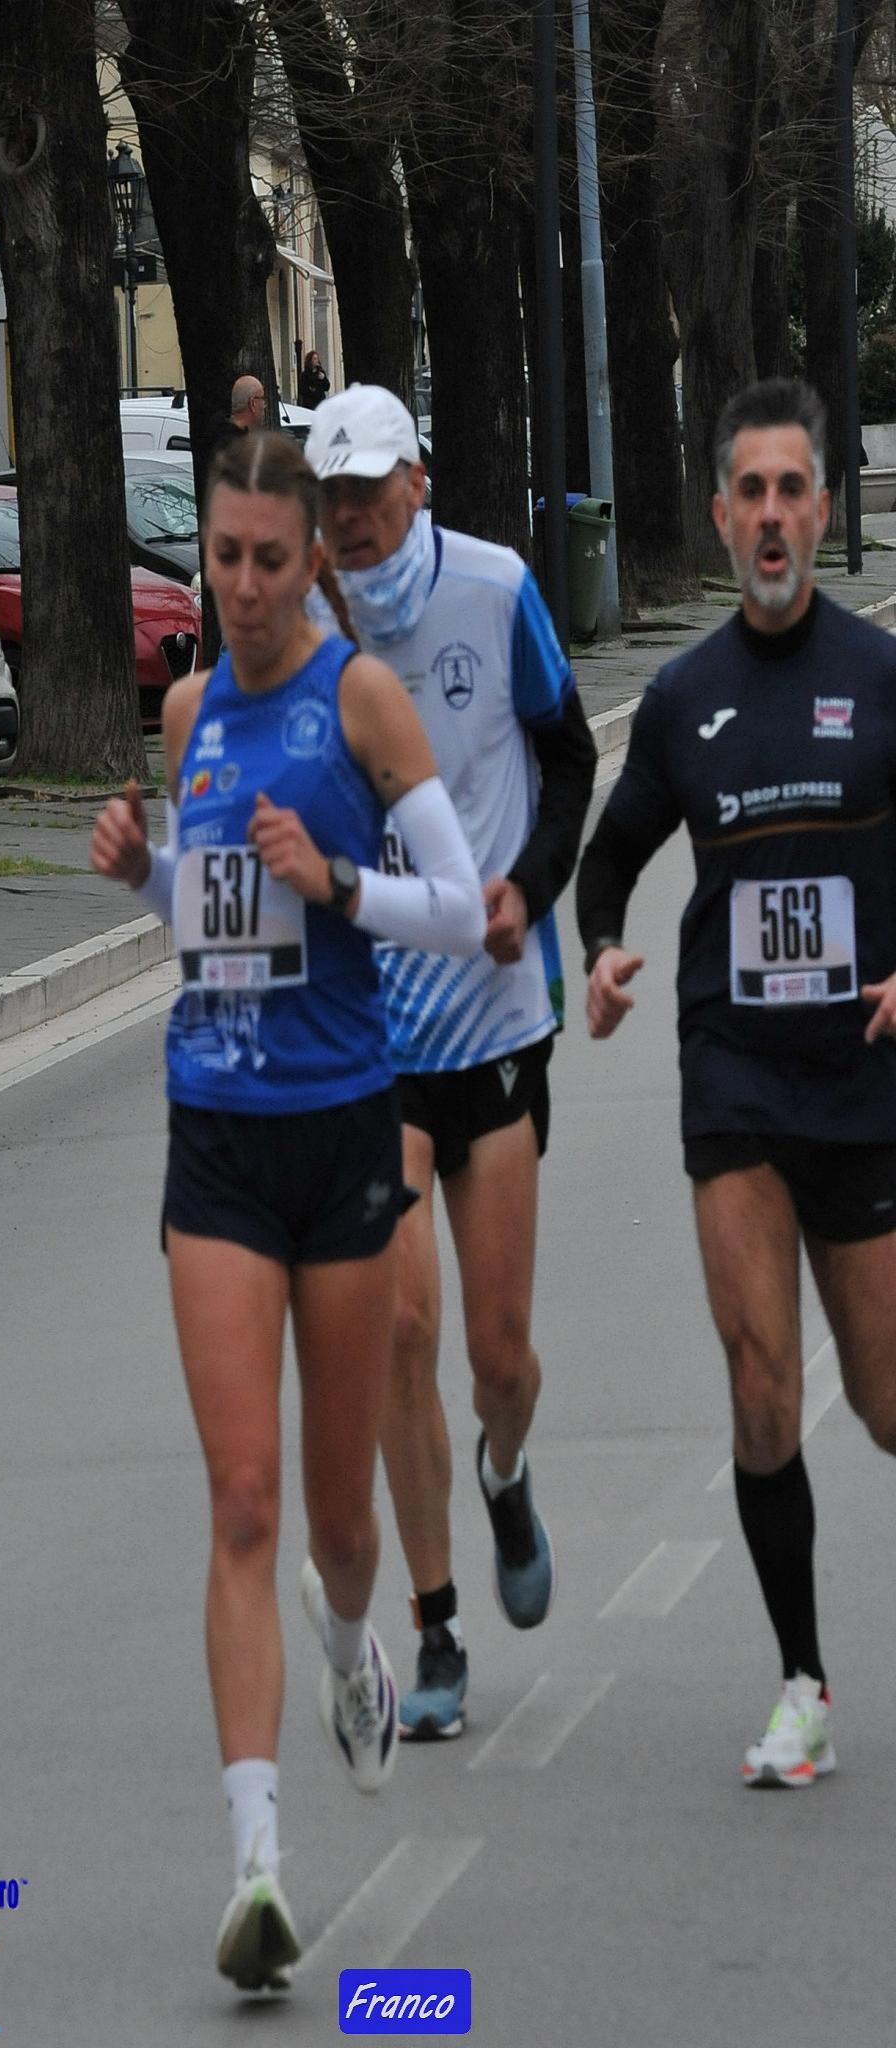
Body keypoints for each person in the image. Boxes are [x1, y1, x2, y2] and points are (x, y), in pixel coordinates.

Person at [90, 431, 484, 1991]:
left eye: (269, 560)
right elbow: (205, 923)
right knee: (243, 1500)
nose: (244, 588)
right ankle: (256, 1866)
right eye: (225, 560)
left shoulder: (360, 700)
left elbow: (457, 908)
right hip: (216, 1138)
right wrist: (143, 871)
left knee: (337, 1529)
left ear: (312, 559)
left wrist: (338, 881)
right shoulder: (190, 712)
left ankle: (350, 1647)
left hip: (341, 1131)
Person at [577, 375, 896, 1788]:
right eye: (749, 492)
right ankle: (802, 1686)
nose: (771, 516)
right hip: (735, 1076)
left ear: (824, 510)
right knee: (763, 1382)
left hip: (866, 1075)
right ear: (719, 515)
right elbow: (609, 857)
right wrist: (600, 950)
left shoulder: (879, 678)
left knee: (885, 1405)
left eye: (791, 490)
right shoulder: (684, 700)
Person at [304, 385, 598, 1742]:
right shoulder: (305, 632)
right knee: (400, 1329)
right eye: (332, 499)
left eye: (371, 491)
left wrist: (529, 888)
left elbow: (569, 753)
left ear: (417, 482)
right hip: (371, 1035)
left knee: (499, 1352)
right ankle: (435, 1626)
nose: (352, 518)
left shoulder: (497, 587)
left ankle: (506, 1467)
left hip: (496, 1013)